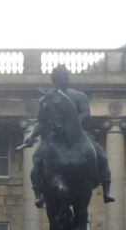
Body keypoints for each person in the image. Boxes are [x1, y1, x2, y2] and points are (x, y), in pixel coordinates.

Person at [23, 65, 114, 208]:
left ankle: (107, 191)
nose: (67, 77)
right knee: (38, 158)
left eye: (67, 75)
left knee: (101, 155)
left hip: (78, 134)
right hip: (55, 136)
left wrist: (71, 124)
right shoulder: (45, 100)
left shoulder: (79, 96)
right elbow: (41, 122)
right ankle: (38, 193)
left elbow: (86, 114)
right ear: (56, 78)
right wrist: (31, 136)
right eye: (64, 75)